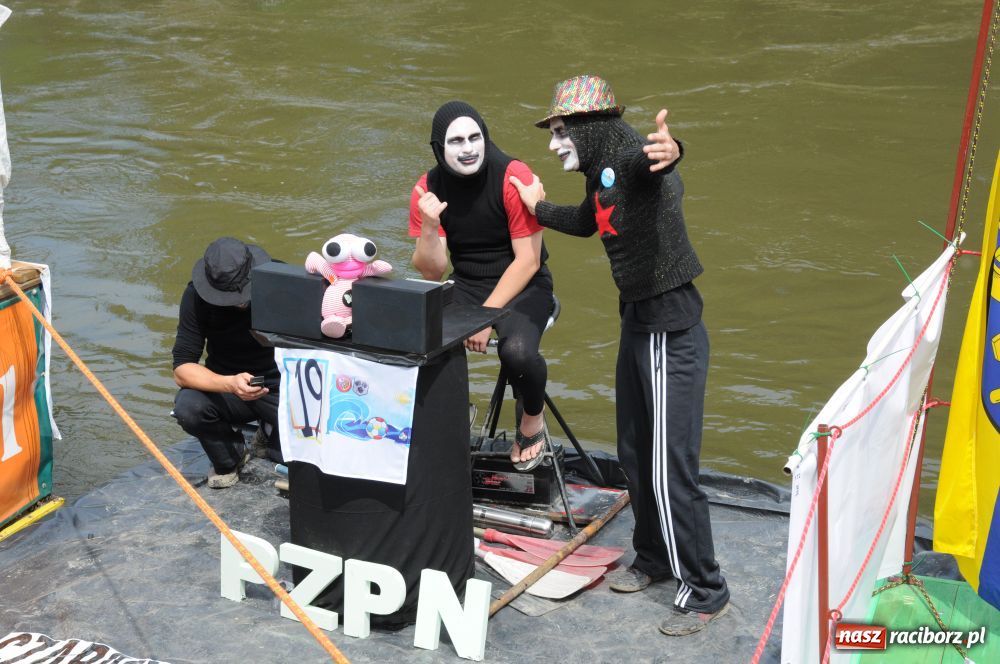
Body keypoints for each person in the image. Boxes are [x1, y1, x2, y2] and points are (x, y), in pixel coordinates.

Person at [509, 75, 730, 635]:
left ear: (589, 126)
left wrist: (672, 151)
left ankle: (705, 589)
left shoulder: (630, 155)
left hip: (669, 329)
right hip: (638, 322)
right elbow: (590, 219)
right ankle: (654, 559)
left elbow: (654, 166)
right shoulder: (602, 169)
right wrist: (538, 210)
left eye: (561, 132)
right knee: (635, 452)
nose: (555, 143)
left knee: (668, 466)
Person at [410, 100, 553, 471]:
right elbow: (432, 273)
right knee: (416, 337)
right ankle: (448, 418)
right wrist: (428, 226)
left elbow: (529, 261)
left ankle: (531, 416)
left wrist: (485, 316)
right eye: (456, 141)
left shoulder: (513, 176)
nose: (469, 148)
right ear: (440, 149)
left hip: (526, 283)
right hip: (466, 282)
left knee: (518, 352)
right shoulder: (427, 188)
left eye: (475, 137)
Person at [171, 237, 282, 489]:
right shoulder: (195, 296)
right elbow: (182, 368)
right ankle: (230, 454)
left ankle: (271, 430)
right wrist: (229, 383)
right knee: (188, 407)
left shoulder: (282, 281)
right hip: (229, 386)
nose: (239, 303)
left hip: (280, 384)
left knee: (291, 460)